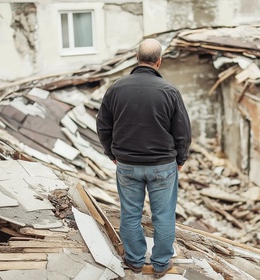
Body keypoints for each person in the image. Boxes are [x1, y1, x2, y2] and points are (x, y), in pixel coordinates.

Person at [96, 38, 192, 278]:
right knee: (164, 216)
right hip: (162, 165)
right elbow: (182, 132)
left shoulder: (116, 88)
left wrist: (112, 153)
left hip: (127, 165)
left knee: (130, 214)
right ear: (159, 62)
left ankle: (135, 261)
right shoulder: (169, 91)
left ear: (136, 59)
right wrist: (180, 159)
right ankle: (160, 265)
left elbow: (103, 126)